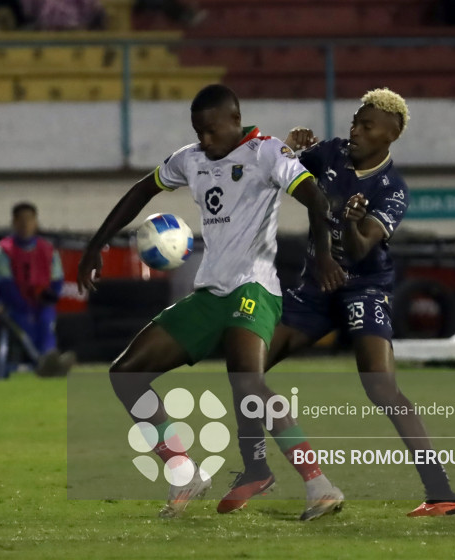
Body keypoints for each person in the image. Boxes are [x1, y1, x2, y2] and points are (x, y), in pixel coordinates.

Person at [76, 84, 347, 520]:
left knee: (248, 383)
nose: (204, 140)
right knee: (126, 374)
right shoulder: (191, 159)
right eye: (197, 131)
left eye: (210, 130)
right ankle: (184, 473)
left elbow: (315, 196)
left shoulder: (265, 152)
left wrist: (325, 256)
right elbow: (141, 191)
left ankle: (319, 485)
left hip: (253, 288)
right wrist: (96, 245)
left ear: (234, 121)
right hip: (210, 291)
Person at [217, 88, 455, 518]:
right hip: (315, 289)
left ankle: (441, 492)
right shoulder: (330, 153)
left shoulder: (392, 189)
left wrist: (350, 224)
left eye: (367, 126)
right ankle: (256, 470)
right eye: (355, 120)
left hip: (364, 287)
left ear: (389, 136)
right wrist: (291, 149)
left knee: (380, 386)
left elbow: (364, 247)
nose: (355, 129)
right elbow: (283, 172)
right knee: (245, 368)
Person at [0, 202, 64, 358]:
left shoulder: (48, 250)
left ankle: (49, 356)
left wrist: (46, 299)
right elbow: (5, 286)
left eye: (29, 219)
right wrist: (25, 307)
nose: (25, 224)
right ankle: (41, 360)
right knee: (24, 322)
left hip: (40, 305)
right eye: (21, 220)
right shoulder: (2, 252)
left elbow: (57, 281)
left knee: (46, 321)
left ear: (36, 222)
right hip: (12, 307)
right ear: (14, 223)